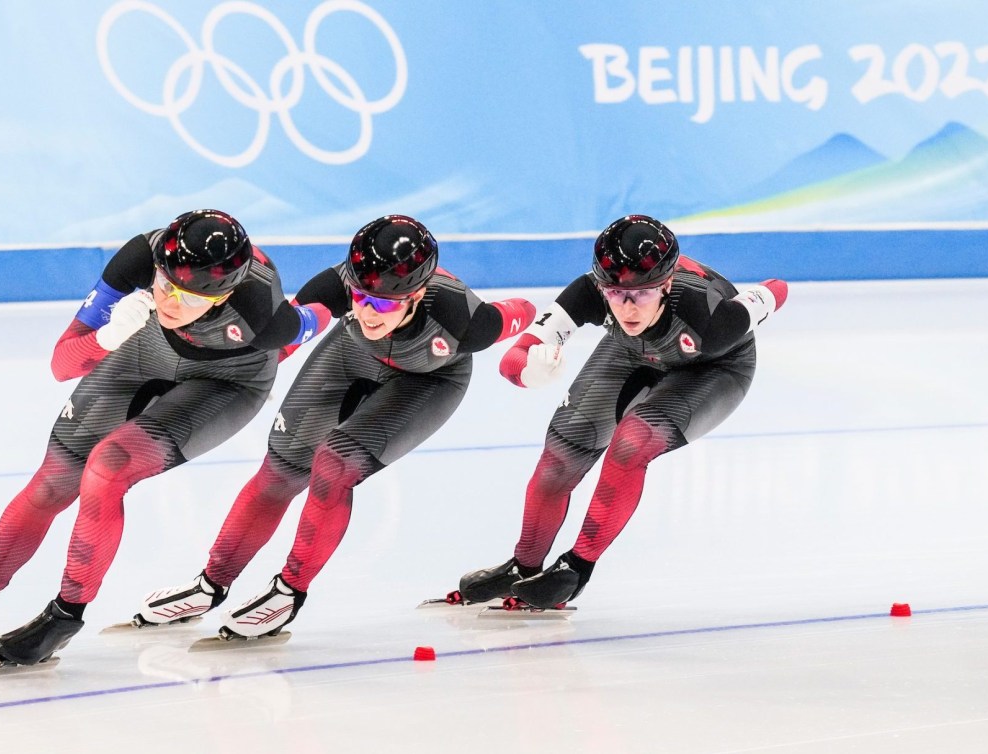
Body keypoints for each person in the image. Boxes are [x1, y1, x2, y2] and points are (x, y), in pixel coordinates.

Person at [0, 209, 331, 666]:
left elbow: (316, 316)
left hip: (227, 383)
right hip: (144, 350)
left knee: (106, 469)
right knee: (51, 481)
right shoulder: (140, 257)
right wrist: (109, 335)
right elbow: (62, 364)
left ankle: (64, 615)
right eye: (164, 286)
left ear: (224, 296)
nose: (171, 302)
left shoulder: (261, 312)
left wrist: (298, 340)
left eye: (189, 297)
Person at [130, 214, 536, 639]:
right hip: (350, 355)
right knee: (280, 468)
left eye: (383, 304)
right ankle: (210, 584)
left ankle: (288, 592)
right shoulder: (337, 287)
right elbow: (282, 334)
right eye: (360, 298)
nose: (367, 312)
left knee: (334, 465)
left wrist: (536, 345)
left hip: (430, 379)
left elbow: (522, 311)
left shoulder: (463, 319)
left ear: (417, 295)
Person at [457, 214, 788, 608]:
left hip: (712, 365)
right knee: (561, 451)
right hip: (632, 352)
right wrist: (529, 371)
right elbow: (516, 356)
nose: (627, 308)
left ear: (666, 285)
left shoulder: (713, 318)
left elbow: (776, 289)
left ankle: (576, 568)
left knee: (632, 443)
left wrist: (760, 295)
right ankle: (524, 567)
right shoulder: (591, 291)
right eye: (615, 294)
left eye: (642, 294)